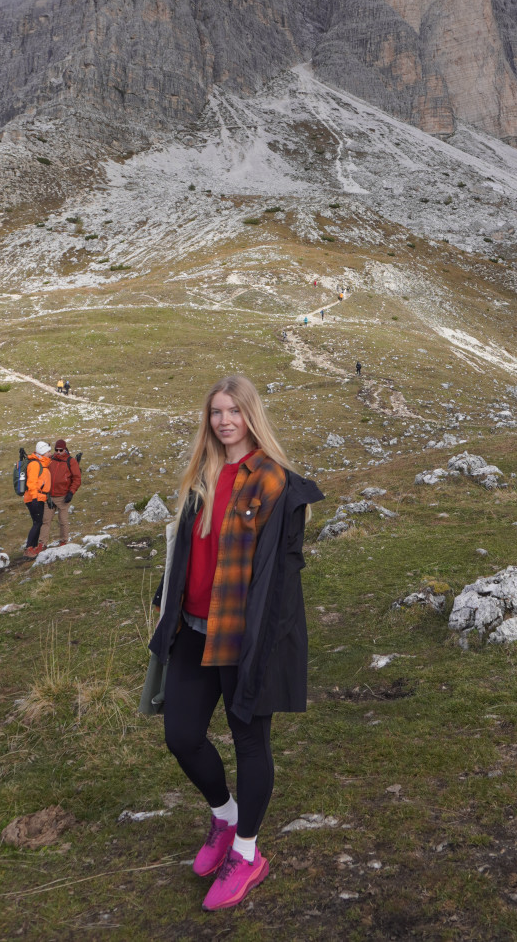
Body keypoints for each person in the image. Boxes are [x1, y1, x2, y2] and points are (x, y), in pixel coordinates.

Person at [144, 375, 323, 911]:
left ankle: (247, 853)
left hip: (242, 636)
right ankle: (224, 817)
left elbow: (279, 576)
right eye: (216, 412)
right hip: (193, 628)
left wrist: (265, 643)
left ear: (251, 416)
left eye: (234, 411)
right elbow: (187, 552)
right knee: (181, 736)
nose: (224, 421)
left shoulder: (273, 481)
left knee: (250, 742)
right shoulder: (202, 472)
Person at [39, 439, 81, 549]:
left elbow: (77, 479)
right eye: (56, 450)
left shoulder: (71, 461)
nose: (58, 452)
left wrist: (71, 492)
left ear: (65, 449)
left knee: (63, 521)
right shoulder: (51, 459)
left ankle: (64, 541)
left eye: (60, 450)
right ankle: (42, 544)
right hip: (49, 497)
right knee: (45, 521)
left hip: (63, 497)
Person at [23, 441, 52, 557]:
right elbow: (32, 483)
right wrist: (35, 499)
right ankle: (29, 548)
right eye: (48, 451)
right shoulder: (35, 464)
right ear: (43, 452)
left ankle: (33, 548)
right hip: (34, 498)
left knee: (38, 522)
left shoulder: (42, 463)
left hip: (39, 497)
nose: (50, 453)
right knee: (37, 522)